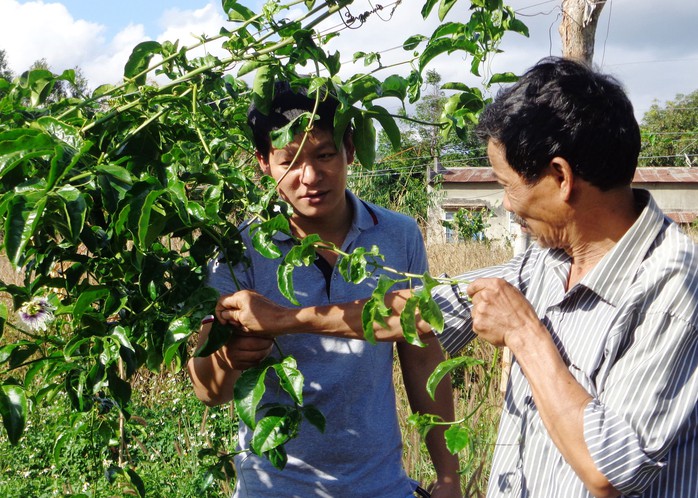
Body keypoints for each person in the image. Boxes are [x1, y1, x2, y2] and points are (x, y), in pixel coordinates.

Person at [215, 58, 698, 498]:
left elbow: (610, 472)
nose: (506, 205)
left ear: (560, 176)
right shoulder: (545, 260)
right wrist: (286, 318)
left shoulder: (673, 287)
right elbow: (415, 311)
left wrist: (525, 336)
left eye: (508, 186)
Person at [187, 82, 462, 498]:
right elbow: (209, 391)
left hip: (381, 486)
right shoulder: (237, 251)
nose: (311, 177)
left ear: (350, 150)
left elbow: (421, 356)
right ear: (263, 162)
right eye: (289, 161)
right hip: (275, 489)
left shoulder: (398, 236)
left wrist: (447, 477)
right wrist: (228, 356)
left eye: (325, 155)